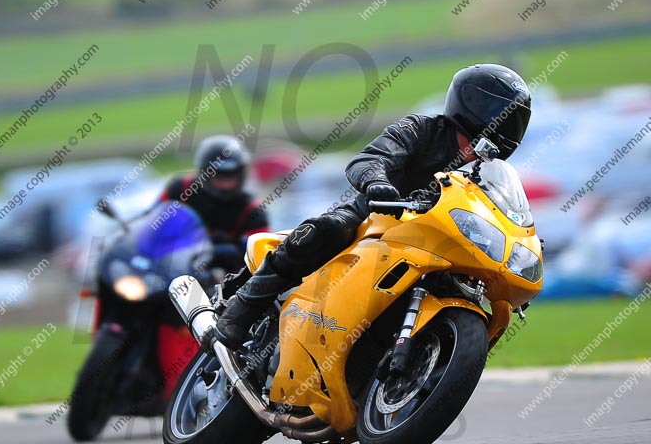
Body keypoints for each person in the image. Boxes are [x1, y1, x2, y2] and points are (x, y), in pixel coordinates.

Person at [215, 63, 532, 349]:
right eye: (499, 113)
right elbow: (368, 158)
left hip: (438, 245)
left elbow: (505, 214)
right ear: (472, 106)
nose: (505, 125)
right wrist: (377, 181)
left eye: (513, 118)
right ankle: (241, 310)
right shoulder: (422, 129)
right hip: (376, 217)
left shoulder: (490, 174)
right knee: (324, 230)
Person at [159, 134, 269, 271]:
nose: (225, 183)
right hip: (169, 265)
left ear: (241, 174)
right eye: (218, 175)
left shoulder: (252, 209)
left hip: (219, 280)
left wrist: (234, 250)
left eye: (231, 176)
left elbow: (260, 258)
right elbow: (154, 218)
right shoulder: (181, 188)